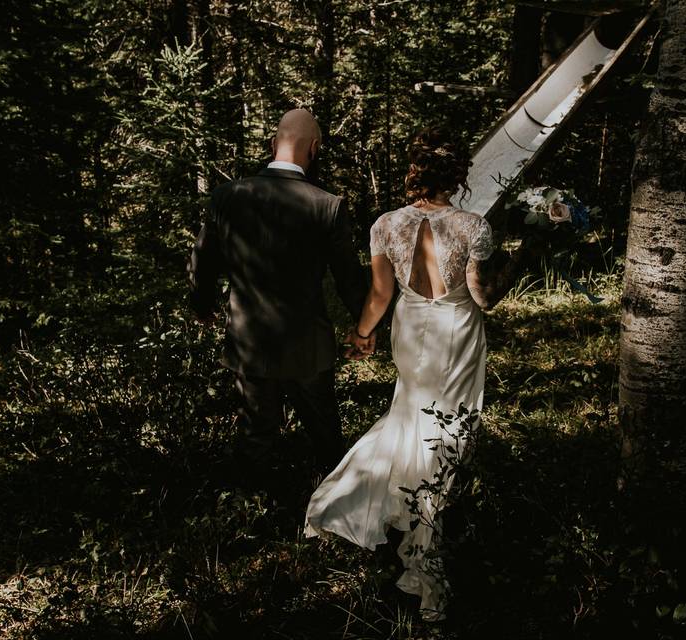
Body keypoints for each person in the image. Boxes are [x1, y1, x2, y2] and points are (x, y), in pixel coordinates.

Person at [303, 128, 530, 620]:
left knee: (411, 415)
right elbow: (483, 297)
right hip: (456, 329)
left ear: (414, 172)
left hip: (410, 328)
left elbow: (381, 295)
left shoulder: (385, 224)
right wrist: (520, 257)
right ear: (456, 176)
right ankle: (428, 528)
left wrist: (362, 333)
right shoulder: (473, 226)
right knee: (446, 429)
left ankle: (390, 504)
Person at [187, 108, 368, 482]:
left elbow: (202, 259)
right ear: (314, 149)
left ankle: (249, 520)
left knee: (255, 438)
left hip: (249, 342)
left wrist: (201, 305)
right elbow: (349, 278)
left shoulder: (227, 196)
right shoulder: (328, 205)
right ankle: (332, 512)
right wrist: (365, 326)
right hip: (308, 345)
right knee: (326, 439)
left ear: (273, 144)